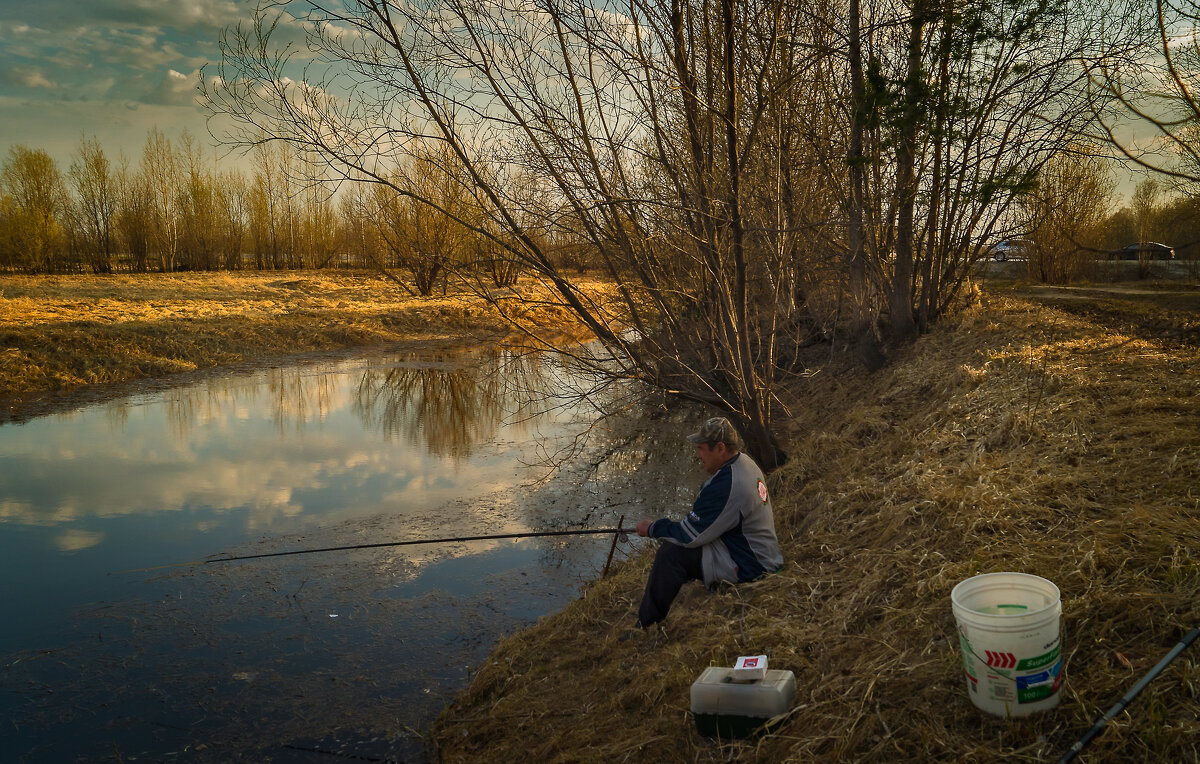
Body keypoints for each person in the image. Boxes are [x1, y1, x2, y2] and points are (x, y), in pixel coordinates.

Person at [632, 416, 783, 629]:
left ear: (720, 448)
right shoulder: (743, 462)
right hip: (759, 551)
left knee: (671, 554)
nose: (698, 456)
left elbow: (689, 535)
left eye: (702, 449)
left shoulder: (727, 484)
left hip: (753, 566)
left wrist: (651, 528)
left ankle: (645, 624)